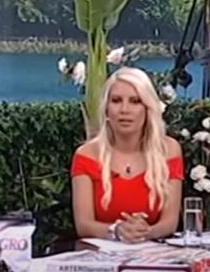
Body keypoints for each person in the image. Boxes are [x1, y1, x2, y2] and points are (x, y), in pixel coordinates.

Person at [71, 67, 184, 244]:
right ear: (106, 109)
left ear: (147, 108)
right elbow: (83, 225)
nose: (124, 109)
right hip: (101, 255)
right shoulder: (86, 155)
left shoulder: (169, 150)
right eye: (116, 100)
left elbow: (169, 222)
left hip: (152, 252)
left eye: (135, 101)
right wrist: (116, 231)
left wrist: (146, 232)